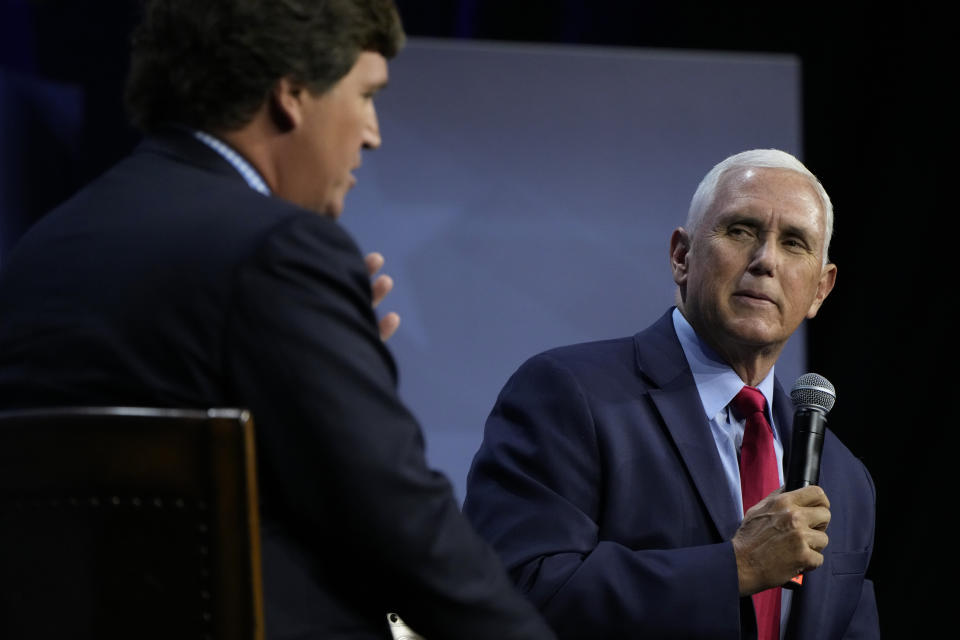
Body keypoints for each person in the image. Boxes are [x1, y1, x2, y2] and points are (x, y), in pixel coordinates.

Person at [0, 1, 557, 639]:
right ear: (292, 95)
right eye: (366, 96)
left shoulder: (44, 247)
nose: (372, 133)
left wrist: (325, 362)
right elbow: (401, 523)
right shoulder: (277, 250)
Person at [462, 149, 879, 639]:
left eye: (794, 243)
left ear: (820, 291)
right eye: (741, 230)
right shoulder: (569, 394)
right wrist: (735, 568)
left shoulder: (846, 480)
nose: (766, 260)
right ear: (682, 256)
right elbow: (513, 593)